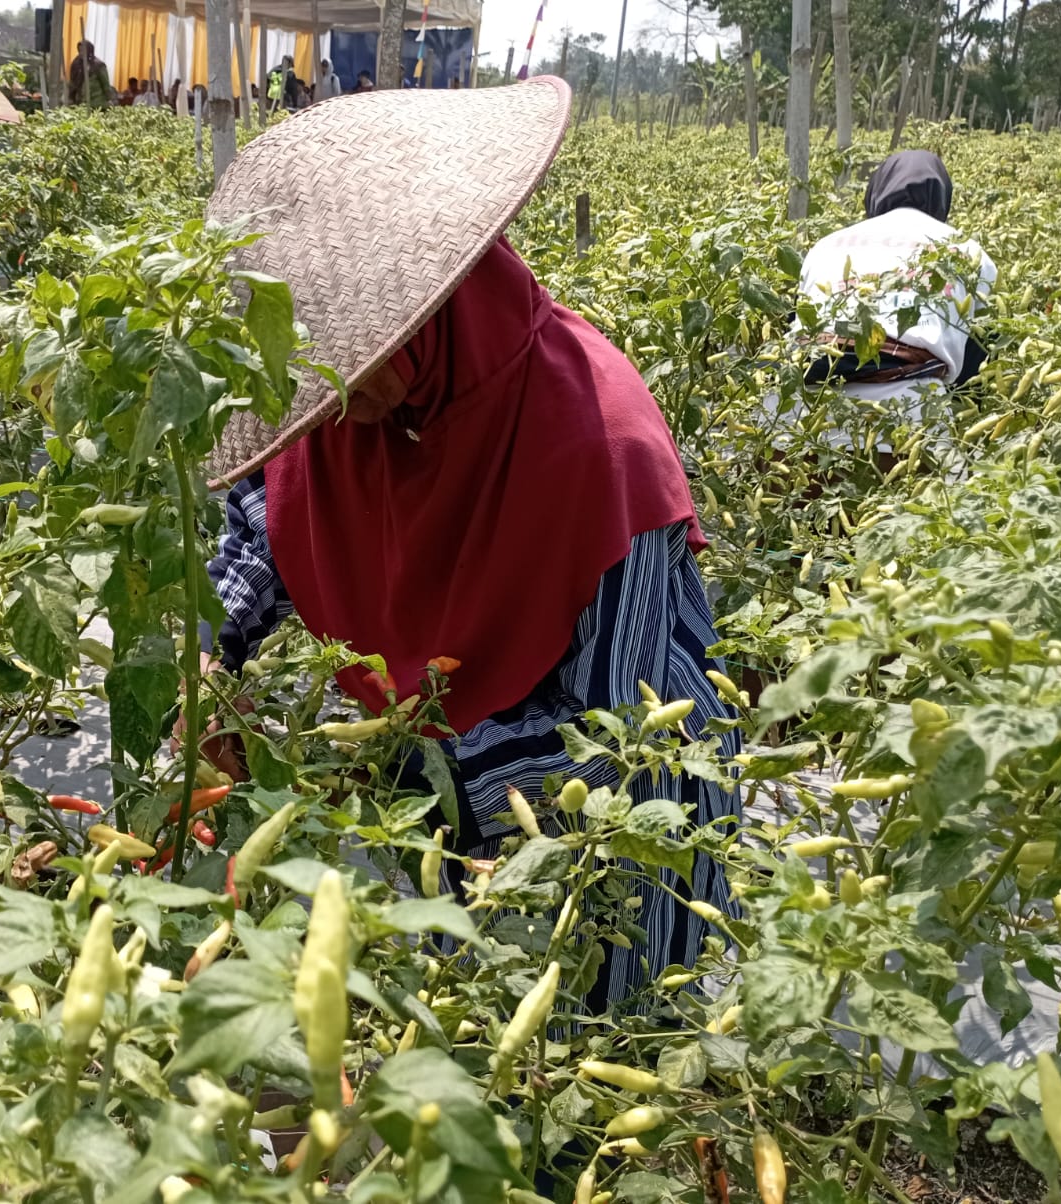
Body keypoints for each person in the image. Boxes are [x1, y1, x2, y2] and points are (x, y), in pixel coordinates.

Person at [199, 79, 739, 1011]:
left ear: (430, 312)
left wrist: (383, 759)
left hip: (605, 837)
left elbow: (624, 747)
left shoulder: (596, 447)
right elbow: (265, 528)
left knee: (596, 1052)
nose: (329, 402)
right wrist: (210, 657)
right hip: (457, 812)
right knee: (471, 1037)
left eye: (352, 363)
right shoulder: (349, 411)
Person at [792, 150, 996, 434]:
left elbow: (800, 322)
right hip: (909, 412)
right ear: (942, 197)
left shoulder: (824, 245)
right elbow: (980, 352)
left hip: (802, 411)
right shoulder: (969, 251)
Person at [67, 40, 112, 108]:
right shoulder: (77, 64)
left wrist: (109, 99)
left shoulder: (98, 65)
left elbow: (105, 85)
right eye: (80, 50)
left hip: (97, 103)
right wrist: (71, 98)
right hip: (81, 103)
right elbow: (73, 83)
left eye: (83, 50)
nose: (81, 53)